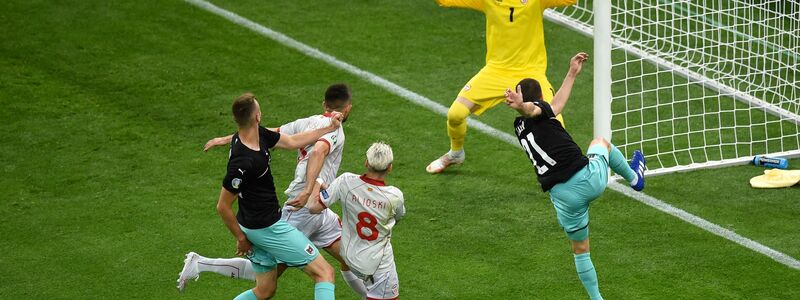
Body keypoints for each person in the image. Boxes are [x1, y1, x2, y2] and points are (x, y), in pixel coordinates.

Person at [179, 84, 368, 297]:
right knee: (294, 276)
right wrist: (307, 190)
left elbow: (286, 137)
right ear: (348, 108)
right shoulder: (246, 161)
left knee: (349, 259)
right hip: (295, 212)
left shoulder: (298, 125)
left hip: (318, 210)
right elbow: (319, 152)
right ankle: (202, 263)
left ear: (324, 104)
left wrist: (225, 139)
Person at [505, 53, 646, 300]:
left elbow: (553, 107)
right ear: (539, 99)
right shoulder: (535, 112)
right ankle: (635, 179)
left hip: (562, 197)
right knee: (601, 142)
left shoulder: (520, 127)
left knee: (580, 250)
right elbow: (534, 109)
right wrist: (522, 104)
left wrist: (571, 74)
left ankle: (596, 298)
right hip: (586, 178)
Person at [427, 0, 577, 174]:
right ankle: (455, 153)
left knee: (554, 118)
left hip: (531, 73)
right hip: (495, 72)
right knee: (455, 115)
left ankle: (567, 167)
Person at [307, 142, 405, 300]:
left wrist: (317, 182)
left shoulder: (346, 182)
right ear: (390, 168)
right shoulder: (395, 196)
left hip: (349, 259)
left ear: (366, 163)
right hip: (379, 267)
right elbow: (398, 217)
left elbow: (312, 207)